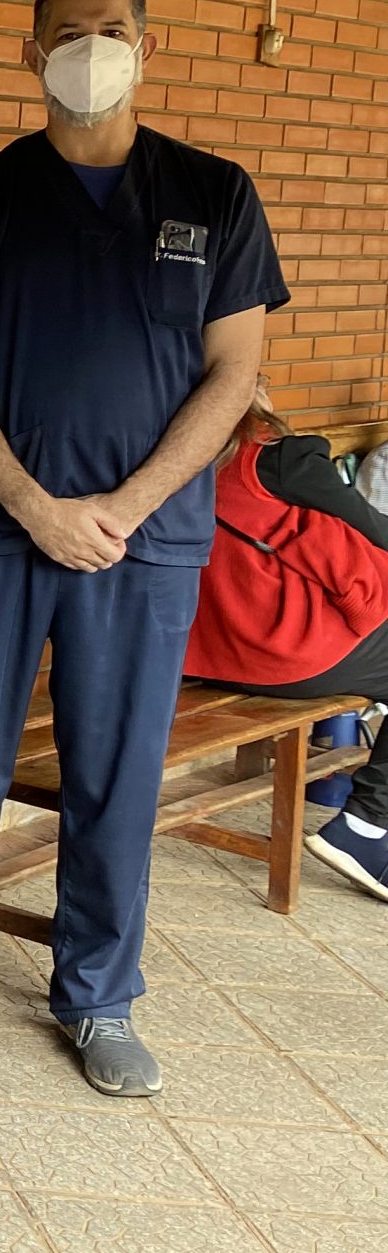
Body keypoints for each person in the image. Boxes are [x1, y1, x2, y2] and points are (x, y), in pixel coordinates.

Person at [0, 0, 287, 1098]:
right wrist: (38, 508)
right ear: (29, 51)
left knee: (116, 770)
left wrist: (124, 506)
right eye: (66, 32)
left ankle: (98, 996)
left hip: (141, 545)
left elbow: (233, 374)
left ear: (145, 49)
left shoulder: (214, 195)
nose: (87, 48)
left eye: (109, 31)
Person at [183, 381, 388, 896]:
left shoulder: (160, 460)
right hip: (286, 655)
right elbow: (374, 528)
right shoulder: (275, 459)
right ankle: (365, 827)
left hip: (203, 656)